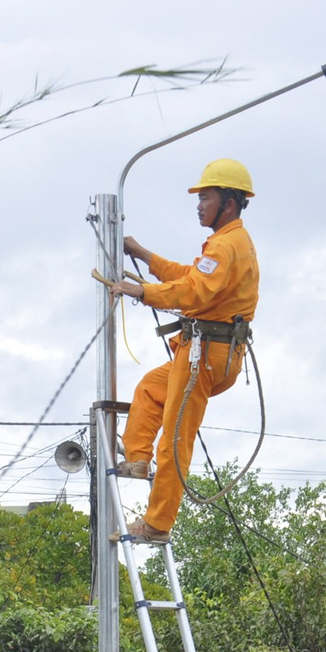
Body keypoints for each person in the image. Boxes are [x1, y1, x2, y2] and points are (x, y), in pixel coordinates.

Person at [107, 158, 260, 545]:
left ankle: (157, 524)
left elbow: (193, 292)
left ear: (228, 201)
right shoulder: (225, 244)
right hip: (206, 351)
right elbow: (189, 278)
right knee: (151, 389)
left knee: (175, 439)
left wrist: (142, 290)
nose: (199, 205)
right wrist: (143, 255)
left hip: (207, 355)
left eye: (205, 197)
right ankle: (137, 460)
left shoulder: (228, 246)